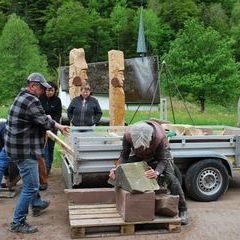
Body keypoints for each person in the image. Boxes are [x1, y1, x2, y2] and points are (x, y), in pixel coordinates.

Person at [5, 72, 69, 234]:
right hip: (25, 151)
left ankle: (37, 203)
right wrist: (57, 125)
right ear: (32, 85)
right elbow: (44, 121)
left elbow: (39, 118)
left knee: (30, 181)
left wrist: (53, 123)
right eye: (41, 88)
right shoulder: (31, 100)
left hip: (17, 148)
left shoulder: (21, 97)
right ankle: (17, 222)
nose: (43, 91)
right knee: (31, 186)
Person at [109, 120, 189, 225]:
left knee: (170, 178)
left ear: (150, 138)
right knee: (121, 173)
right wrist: (117, 168)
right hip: (139, 155)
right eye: (139, 146)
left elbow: (163, 160)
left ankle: (183, 209)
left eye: (143, 146)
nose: (142, 148)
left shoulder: (159, 138)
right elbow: (124, 154)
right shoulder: (128, 135)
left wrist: (156, 172)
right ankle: (122, 203)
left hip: (161, 155)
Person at [40, 82, 62, 175]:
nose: (49, 92)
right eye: (48, 90)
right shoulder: (40, 99)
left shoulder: (57, 100)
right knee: (43, 149)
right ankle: (44, 168)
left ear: (55, 91)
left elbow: (58, 114)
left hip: (53, 127)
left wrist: (53, 124)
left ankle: (48, 169)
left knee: (50, 148)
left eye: (51, 90)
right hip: (42, 128)